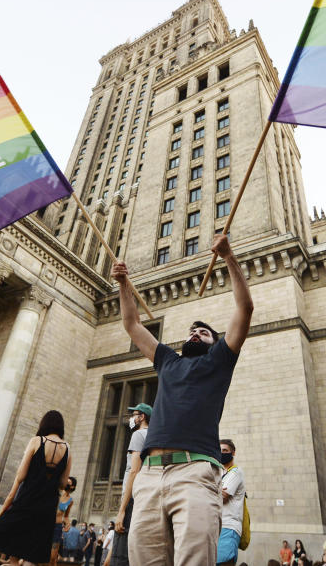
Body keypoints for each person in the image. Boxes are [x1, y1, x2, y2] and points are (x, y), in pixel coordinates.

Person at [112, 232, 253, 566]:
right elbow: (132, 324)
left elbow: (245, 307)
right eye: (192, 329)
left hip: (195, 471)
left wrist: (229, 257)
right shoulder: (167, 361)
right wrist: (122, 283)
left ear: (215, 342)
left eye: (203, 332)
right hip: (149, 475)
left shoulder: (219, 360)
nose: (195, 333)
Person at [0, 410, 72, 566]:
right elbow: (62, 484)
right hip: (46, 513)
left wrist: (0, 515)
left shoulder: (36, 441)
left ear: (44, 424)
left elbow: (20, 477)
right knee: (30, 560)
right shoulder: (68, 449)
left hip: (24, 505)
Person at [113, 403, 150, 566]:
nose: (131, 418)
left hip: (132, 500)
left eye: (134, 414)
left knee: (120, 556)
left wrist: (122, 510)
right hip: (146, 498)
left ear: (141, 417)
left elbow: (134, 471)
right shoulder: (154, 436)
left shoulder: (139, 435)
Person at [218, 439, 245, 566]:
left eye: (225, 450)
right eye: (220, 450)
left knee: (224, 562)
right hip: (218, 526)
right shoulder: (220, 473)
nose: (222, 453)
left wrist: (208, 490)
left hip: (229, 526)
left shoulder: (236, 472)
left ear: (233, 453)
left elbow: (223, 497)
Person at [52, 477, 77, 566]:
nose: (65, 483)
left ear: (72, 487)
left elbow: (66, 516)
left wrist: (68, 524)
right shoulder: (56, 491)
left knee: (53, 556)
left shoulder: (70, 501)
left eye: (68, 482)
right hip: (47, 524)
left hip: (57, 527)